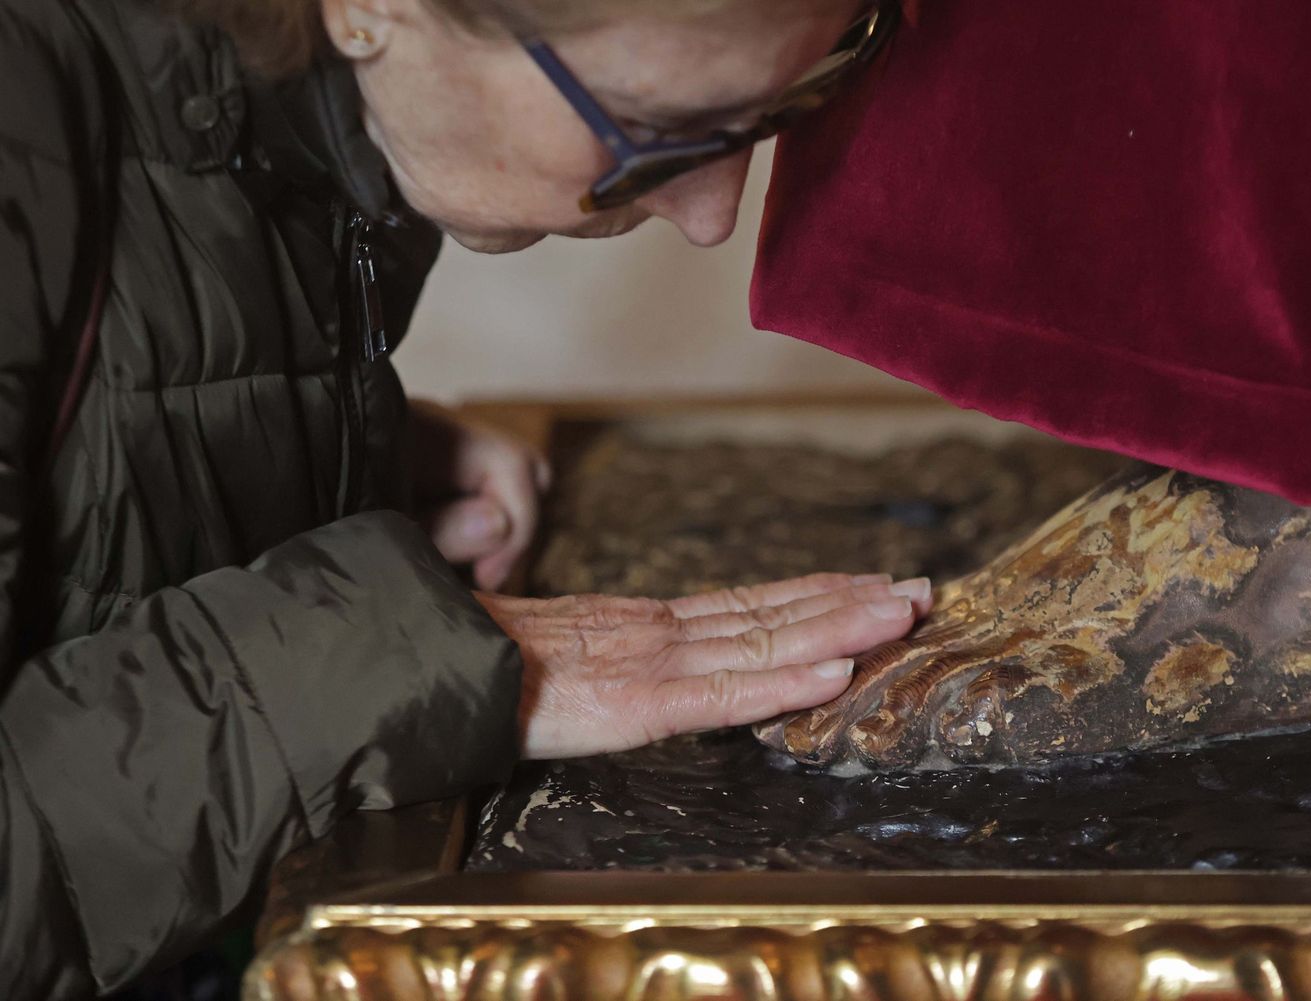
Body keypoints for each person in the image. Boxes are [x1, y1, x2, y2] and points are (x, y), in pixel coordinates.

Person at [0, 0, 926, 995]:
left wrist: (320, 447)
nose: (712, 217)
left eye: (784, 100)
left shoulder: (322, 119)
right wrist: (400, 658)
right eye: (652, 128)